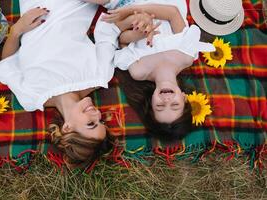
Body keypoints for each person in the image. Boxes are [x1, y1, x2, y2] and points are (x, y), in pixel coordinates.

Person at [0, 0, 115, 169]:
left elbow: (8, 63)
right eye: (101, 122)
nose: (97, 115)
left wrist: (17, 30)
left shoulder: (31, 97)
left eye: (91, 123)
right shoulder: (100, 75)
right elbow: (108, 26)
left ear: (67, 127)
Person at [88, 0, 215, 141]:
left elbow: (121, 40)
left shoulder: (138, 71)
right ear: (184, 98)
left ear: (152, 103)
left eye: (160, 106)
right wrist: (133, 10)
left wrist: (139, 35)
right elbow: (173, 14)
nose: (167, 99)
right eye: (175, 105)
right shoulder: (186, 56)